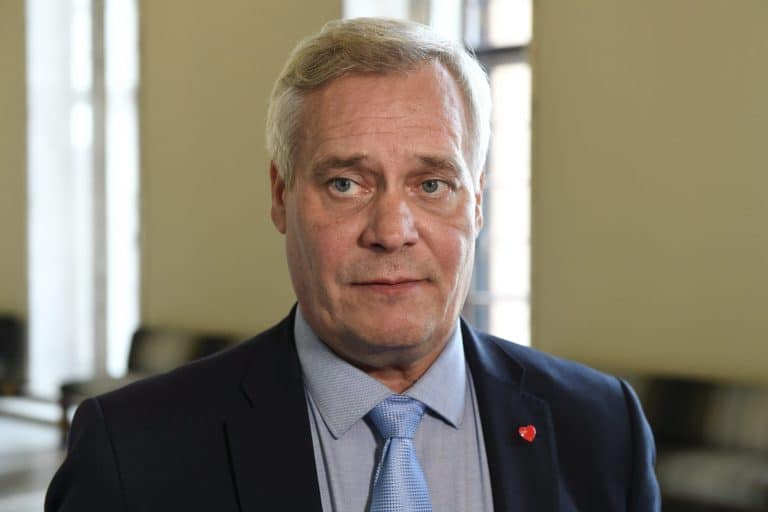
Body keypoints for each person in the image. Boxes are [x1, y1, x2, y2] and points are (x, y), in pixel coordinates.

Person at [45, 17, 660, 511]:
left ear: (477, 202)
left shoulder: (603, 427)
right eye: (345, 183)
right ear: (281, 196)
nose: (391, 233)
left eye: (432, 184)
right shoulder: (133, 451)